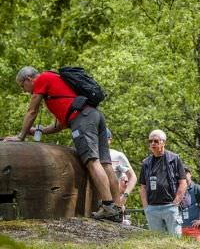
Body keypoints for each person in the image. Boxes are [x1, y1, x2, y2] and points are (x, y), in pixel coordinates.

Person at [4, 66, 121, 221]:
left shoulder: (42, 79)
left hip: (83, 120)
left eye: (22, 86)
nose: (25, 90)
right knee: (106, 164)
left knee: (92, 161)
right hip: (94, 115)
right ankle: (118, 208)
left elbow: (32, 110)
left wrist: (21, 136)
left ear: (29, 79)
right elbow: (60, 125)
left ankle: (108, 207)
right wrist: (38, 131)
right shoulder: (56, 83)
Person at [139, 129, 187, 237]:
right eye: (150, 141)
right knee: (157, 241)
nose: (152, 144)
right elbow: (142, 187)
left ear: (163, 142)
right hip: (152, 208)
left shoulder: (174, 159)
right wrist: (146, 206)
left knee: (175, 239)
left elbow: (183, 182)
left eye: (156, 141)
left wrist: (176, 201)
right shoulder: (146, 163)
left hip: (170, 206)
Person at [107, 128, 137, 197]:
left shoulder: (117, 155)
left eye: (104, 138)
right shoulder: (92, 157)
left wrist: (124, 196)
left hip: (114, 201)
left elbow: (132, 177)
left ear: (110, 140)